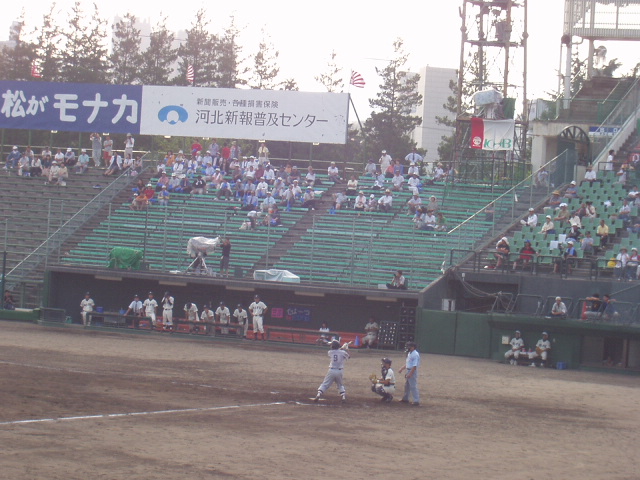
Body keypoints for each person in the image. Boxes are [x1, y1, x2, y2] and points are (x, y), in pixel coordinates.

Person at [398, 341, 421, 405]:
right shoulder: (410, 353)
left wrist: (410, 374)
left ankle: (416, 400)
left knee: (413, 386)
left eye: (409, 346)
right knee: (407, 386)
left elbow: (414, 366)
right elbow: (408, 363)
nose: (408, 347)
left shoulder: (415, 354)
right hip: (408, 370)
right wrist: (402, 369)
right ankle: (405, 398)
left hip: (412, 371)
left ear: (413, 347)